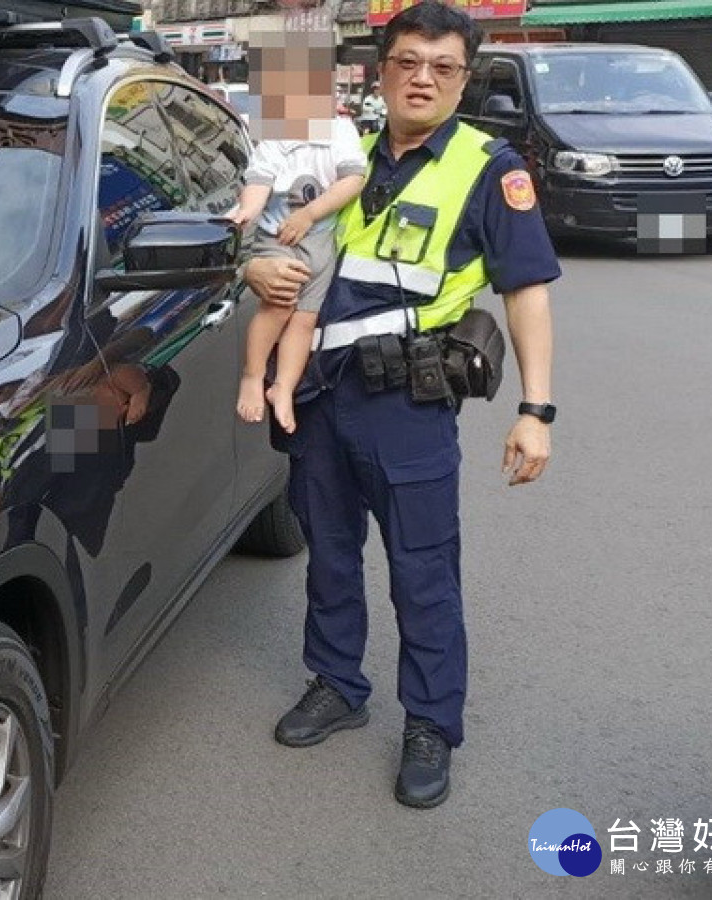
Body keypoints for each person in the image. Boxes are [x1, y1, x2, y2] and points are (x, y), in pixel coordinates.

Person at [245, 0, 559, 809]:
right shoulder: (336, 150)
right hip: (316, 392)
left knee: (423, 573)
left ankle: (430, 723)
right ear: (380, 71)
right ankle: (338, 686)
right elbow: (262, 228)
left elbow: (525, 293)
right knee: (331, 553)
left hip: (406, 403)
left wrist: (537, 409)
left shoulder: (490, 169)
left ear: (464, 76)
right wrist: (252, 267)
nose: (423, 77)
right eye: (407, 61)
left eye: (443, 66)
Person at [232, 17, 367, 433]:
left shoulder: (341, 130)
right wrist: (245, 213)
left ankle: (285, 387)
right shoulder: (272, 139)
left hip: (319, 240)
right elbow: (257, 183)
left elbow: (352, 180)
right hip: (277, 239)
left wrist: (310, 214)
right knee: (279, 306)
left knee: (306, 320)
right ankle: (254, 376)